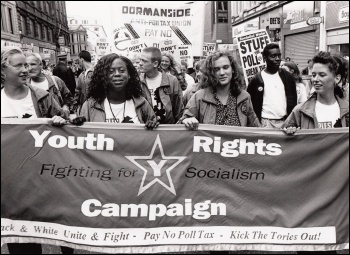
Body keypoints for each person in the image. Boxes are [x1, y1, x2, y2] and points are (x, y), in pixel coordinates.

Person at [1, 47, 67, 254]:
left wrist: (60, 120)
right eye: (19, 65)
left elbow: (67, 130)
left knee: (34, 234)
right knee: (15, 237)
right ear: (2, 70)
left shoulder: (41, 96)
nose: (25, 70)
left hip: (37, 180)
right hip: (7, 182)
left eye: (27, 65)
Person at [72, 53, 158, 130]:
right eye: (111, 71)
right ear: (103, 77)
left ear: (129, 75)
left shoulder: (142, 103)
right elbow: (80, 136)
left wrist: (154, 125)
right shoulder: (90, 105)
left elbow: (156, 136)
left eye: (122, 70)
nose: (117, 74)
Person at [180, 51, 260, 130]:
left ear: (233, 69)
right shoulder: (199, 97)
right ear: (211, 73)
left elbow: (255, 129)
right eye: (216, 69)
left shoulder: (244, 97)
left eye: (225, 67)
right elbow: (181, 124)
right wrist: (187, 120)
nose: (222, 73)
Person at [283, 51, 349, 133]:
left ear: (337, 78)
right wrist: (289, 131)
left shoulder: (347, 111)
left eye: (322, 75)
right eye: (314, 75)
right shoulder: (300, 111)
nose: (315, 79)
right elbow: (281, 141)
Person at [247, 43, 297, 129]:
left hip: (285, 123)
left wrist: (291, 122)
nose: (277, 59)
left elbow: (293, 101)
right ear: (265, 58)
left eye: (279, 55)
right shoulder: (256, 79)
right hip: (265, 123)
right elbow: (250, 104)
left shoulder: (288, 77)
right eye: (273, 56)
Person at [139, 47, 184, 124]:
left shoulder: (172, 80)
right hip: (145, 129)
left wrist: (178, 128)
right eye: (140, 60)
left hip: (166, 129)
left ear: (155, 64)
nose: (140, 63)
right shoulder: (137, 81)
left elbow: (178, 107)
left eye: (144, 61)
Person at [26, 53, 73, 119]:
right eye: (26, 65)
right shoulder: (25, 86)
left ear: (41, 65)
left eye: (33, 64)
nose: (30, 68)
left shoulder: (56, 81)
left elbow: (68, 98)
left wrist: (65, 107)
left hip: (57, 125)